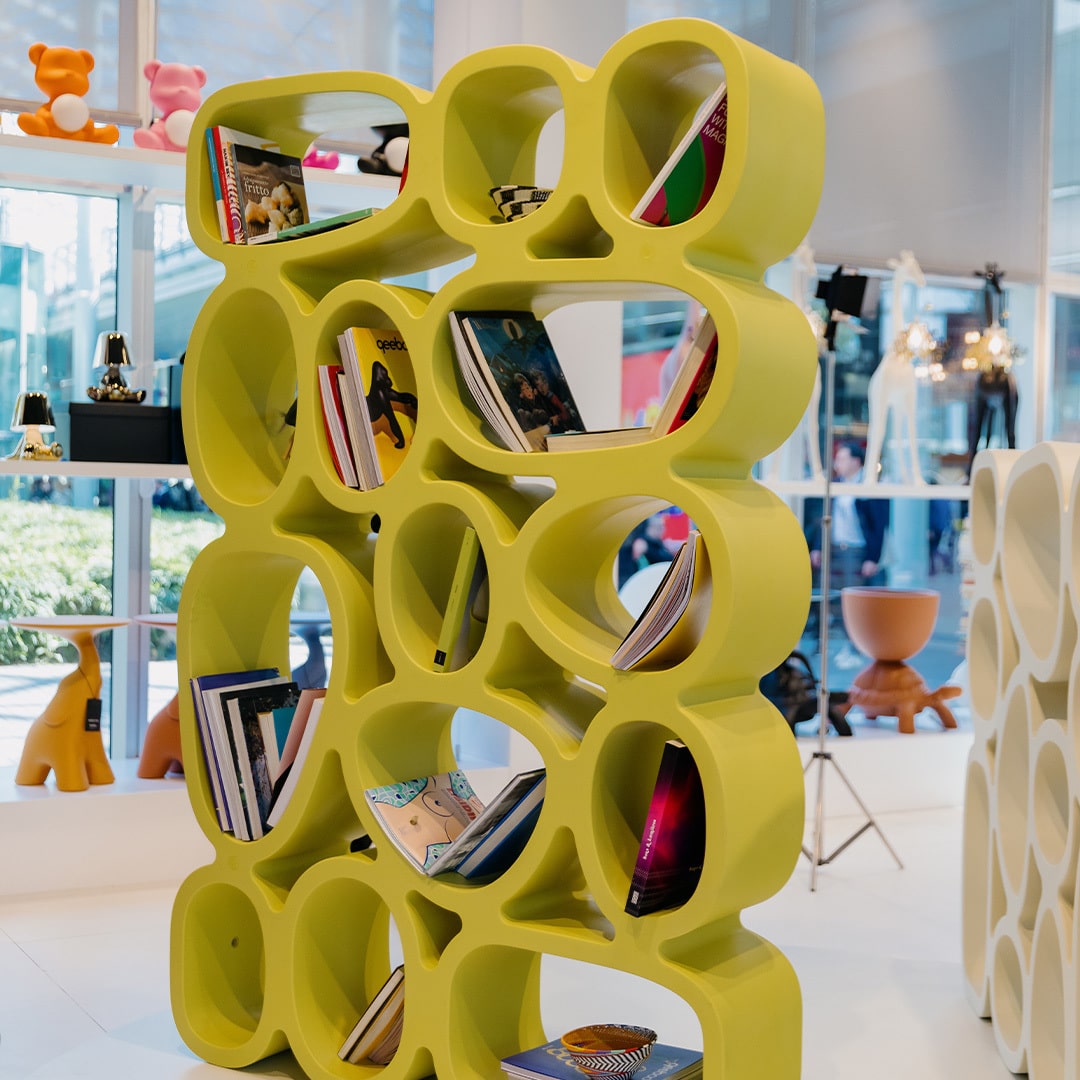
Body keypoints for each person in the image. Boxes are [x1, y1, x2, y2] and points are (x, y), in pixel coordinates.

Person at [807, 441, 890, 667]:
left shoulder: (868, 487)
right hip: (834, 550)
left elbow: (879, 525)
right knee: (831, 599)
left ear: (856, 461)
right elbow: (824, 520)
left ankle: (855, 647)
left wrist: (872, 557)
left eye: (842, 458)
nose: (838, 463)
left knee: (854, 602)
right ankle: (833, 644)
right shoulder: (836, 486)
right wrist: (818, 547)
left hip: (856, 551)